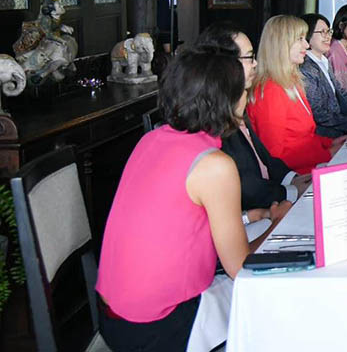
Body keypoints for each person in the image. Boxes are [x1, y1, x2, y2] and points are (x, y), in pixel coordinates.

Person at [96, 51, 290, 350]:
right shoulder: (214, 165)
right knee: (271, 307)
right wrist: (278, 223)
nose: (248, 99)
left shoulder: (151, 139)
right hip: (156, 327)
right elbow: (240, 267)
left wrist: (252, 216)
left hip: (113, 316)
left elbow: (177, 223)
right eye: (244, 91)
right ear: (226, 101)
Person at [194, 22, 311, 211]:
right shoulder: (212, 112)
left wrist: (293, 179)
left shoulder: (237, 98)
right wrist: (290, 192)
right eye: (249, 57)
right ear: (224, 64)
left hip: (269, 196)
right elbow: (245, 187)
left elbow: (264, 157)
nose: (255, 64)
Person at [247, 15, 343, 174]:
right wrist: (328, 154)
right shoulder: (270, 90)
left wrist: (330, 143)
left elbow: (303, 138)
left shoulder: (291, 81)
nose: (306, 44)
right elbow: (275, 155)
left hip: (311, 165)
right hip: (296, 176)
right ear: (281, 44)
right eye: (300, 39)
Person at [300, 13, 347, 137]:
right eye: (322, 32)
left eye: (328, 31)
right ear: (307, 35)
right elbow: (318, 114)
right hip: (326, 134)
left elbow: (341, 92)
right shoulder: (307, 68)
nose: (328, 37)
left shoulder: (323, 61)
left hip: (339, 124)